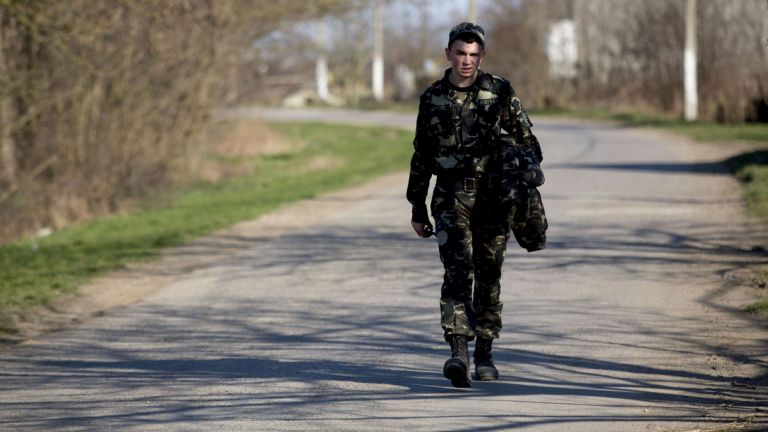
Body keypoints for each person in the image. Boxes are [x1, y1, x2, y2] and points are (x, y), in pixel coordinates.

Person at [406, 22, 543, 388]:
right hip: (450, 196)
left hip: (494, 197)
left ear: (482, 56)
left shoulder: (499, 91)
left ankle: (484, 351)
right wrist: (417, 207)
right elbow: (422, 156)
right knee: (456, 272)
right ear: (448, 53)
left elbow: (530, 143)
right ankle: (458, 352)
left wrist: (522, 178)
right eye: (460, 53)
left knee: (488, 274)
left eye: (473, 55)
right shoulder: (432, 97)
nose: (466, 61)